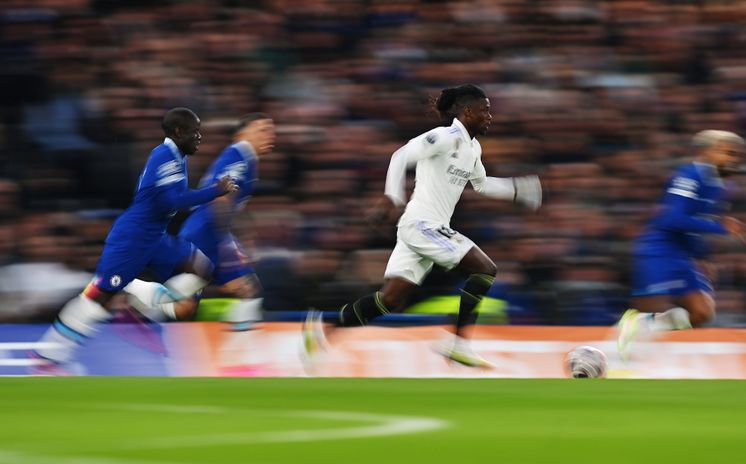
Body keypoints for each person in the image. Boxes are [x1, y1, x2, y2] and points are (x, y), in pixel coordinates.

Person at [303, 84, 542, 368]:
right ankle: (459, 344)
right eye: (485, 110)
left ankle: (323, 330)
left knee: (389, 301)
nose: (490, 116)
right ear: (468, 112)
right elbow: (400, 156)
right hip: (422, 224)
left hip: (424, 228)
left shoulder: (472, 147)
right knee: (485, 269)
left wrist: (518, 189)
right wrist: (392, 197)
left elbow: (480, 184)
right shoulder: (445, 137)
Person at [32, 107, 237, 373]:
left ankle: (138, 301)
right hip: (133, 238)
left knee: (199, 268)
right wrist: (214, 191)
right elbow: (170, 201)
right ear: (178, 132)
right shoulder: (163, 155)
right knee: (99, 297)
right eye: (195, 131)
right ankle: (47, 358)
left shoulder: (176, 157)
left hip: (154, 237)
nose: (200, 137)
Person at [127, 113, 276, 331]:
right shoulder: (240, 154)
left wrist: (242, 233)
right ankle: (240, 352)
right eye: (262, 130)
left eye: (271, 131)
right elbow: (221, 198)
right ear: (243, 134)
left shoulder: (247, 161)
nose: (269, 135)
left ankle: (138, 297)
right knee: (247, 290)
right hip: (208, 233)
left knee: (185, 307)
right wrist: (228, 241)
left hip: (202, 231)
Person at [617, 130, 746, 360]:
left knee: (702, 312)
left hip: (683, 253)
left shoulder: (721, 187)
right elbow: (672, 219)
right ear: (707, 151)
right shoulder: (689, 175)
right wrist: (721, 227)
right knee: (653, 306)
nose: (733, 159)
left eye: (737, 155)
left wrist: (702, 257)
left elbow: (696, 224)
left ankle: (641, 326)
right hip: (659, 250)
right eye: (727, 153)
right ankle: (626, 353)